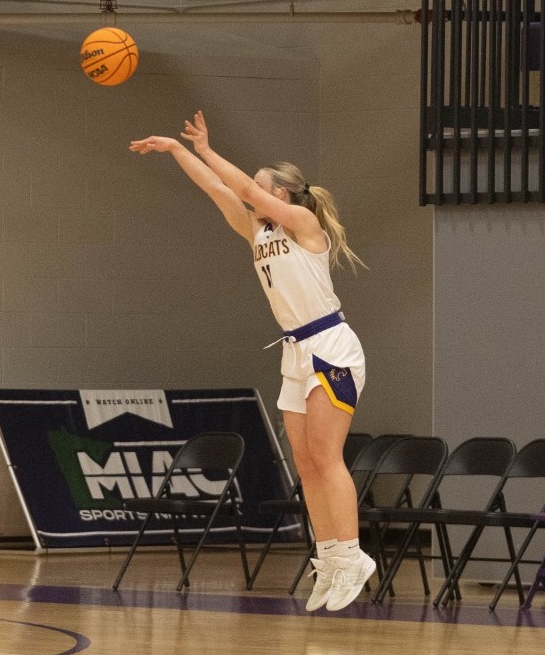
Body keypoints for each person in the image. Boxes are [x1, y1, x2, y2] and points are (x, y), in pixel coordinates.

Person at [131, 112, 375, 613]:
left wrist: (206, 148)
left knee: (326, 457)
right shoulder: (257, 232)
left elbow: (240, 187)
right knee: (304, 463)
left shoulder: (305, 226)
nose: (250, 195)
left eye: (261, 189)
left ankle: (353, 556)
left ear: (280, 195)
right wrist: (177, 151)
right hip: (295, 352)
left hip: (330, 346)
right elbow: (219, 190)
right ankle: (329, 558)